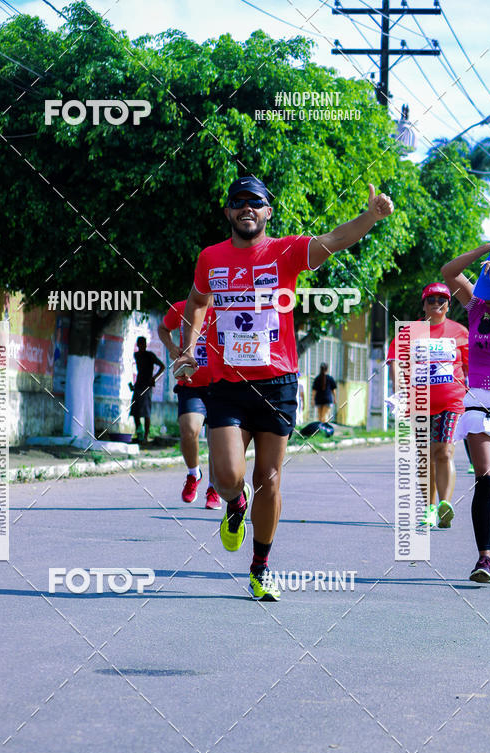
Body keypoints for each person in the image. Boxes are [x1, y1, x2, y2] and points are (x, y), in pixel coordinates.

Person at [173, 175, 394, 601]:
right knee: (227, 477)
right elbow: (197, 302)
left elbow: (336, 238)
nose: (247, 208)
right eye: (239, 201)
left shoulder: (286, 251)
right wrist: (189, 348)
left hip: (277, 384)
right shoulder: (210, 258)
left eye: (255, 202)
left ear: (267, 212)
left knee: (269, 479)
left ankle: (260, 568)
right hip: (227, 383)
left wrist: (370, 216)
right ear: (228, 212)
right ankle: (235, 504)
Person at [441, 241, 490, 582]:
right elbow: (449, 272)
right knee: (486, 479)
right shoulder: (477, 307)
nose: (488, 299)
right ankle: (484, 559)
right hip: (481, 405)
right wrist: (485, 249)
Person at [387, 282, 469, 529]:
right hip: (418, 403)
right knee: (425, 456)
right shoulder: (408, 332)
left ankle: (445, 505)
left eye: (442, 300)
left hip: (451, 401)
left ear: (448, 305)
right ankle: (430, 508)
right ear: (423, 305)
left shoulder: (460, 332)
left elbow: (470, 367)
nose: (436, 304)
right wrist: (399, 391)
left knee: (444, 451)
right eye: (431, 300)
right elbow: (395, 361)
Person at [158, 300, 221, 508]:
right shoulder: (181, 308)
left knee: (217, 441)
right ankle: (194, 474)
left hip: (221, 384)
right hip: (190, 383)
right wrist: (172, 347)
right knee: (189, 430)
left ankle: (214, 488)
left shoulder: (226, 307)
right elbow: (163, 328)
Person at [129, 336, 165, 443]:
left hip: (147, 386)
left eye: (143, 344)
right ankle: (139, 434)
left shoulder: (150, 355)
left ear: (145, 345)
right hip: (138, 385)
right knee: (135, 411)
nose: (142, 346)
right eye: (140, 344)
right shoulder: (137, 355)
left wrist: (154, 378)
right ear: (138, 345)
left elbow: (162, 366)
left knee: (146, 412)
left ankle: (145, 436)